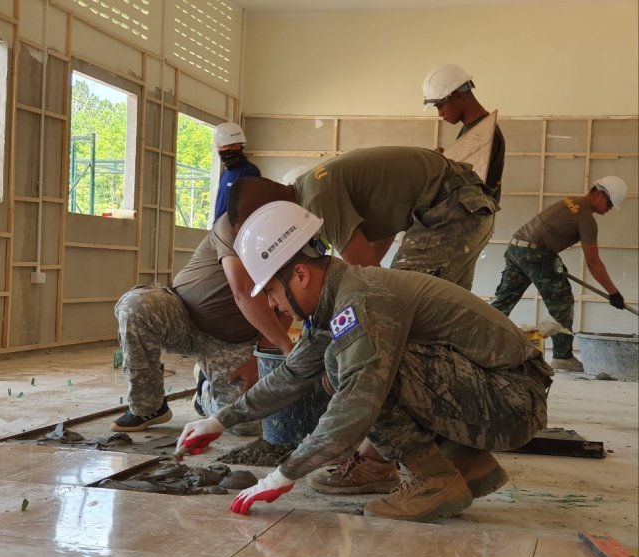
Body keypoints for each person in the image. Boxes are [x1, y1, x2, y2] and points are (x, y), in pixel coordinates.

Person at [175, 201, 553, 522]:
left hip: (512, 401)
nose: (271, 304)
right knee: (338, 363)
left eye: (272, 291)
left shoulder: (364, 301)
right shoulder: (339, 296)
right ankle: (467, 461)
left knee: (353, 369)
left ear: (301, 275)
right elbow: (293, 373)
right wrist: (221, 419)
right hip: (499, 392)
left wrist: (284, 474)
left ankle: (434, 479)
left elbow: (358, 402)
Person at [110, 211, 293, 433]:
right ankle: (147, 407)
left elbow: (286, 310)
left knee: (245, 423)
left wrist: (257, 358)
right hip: (182, 313)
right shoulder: (231, 224)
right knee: (135, 308)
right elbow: (242, 291)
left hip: (232, 342)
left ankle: (204, 391)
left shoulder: (293, 248)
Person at [227, 146, 498, 292]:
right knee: (446, 306)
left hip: (451, 209)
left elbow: (367, 275)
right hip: (468, 205)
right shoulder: (311, 186)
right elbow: (381, 239)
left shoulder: (316, 200)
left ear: (271, 211)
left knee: (407, 300)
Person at [491, 176, 628, 372]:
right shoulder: (587, 218)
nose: (610, 209)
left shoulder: (571, 201)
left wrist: (555, 264)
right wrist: (614, 293)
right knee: (562, 302)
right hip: (537, 254)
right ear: (598, 194)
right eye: (609, 204)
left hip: (516, 248)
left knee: (503, 301)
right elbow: (594, 262)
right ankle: (562, 357)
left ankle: (474, 340)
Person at [422, 63, 505, 201]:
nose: (440, 113)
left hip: (474, 219)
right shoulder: (474, 129)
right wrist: (445, 160)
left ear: (458, 96)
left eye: (440, 105)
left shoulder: (484, 133)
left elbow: (468, 189)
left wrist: (442, 166)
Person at [213, 122, 260, 222]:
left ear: (237, 146)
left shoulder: (249, 171)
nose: (220, 150)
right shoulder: (226, 173)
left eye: (224, 147)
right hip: (219, 228)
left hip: (235, 232)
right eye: (219, 147)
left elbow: (251, 206)